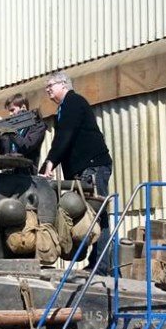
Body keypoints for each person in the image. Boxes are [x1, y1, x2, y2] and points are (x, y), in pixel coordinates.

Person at [41, 71, 114, 274]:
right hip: (84, 169)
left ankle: (102, 265)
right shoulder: (63, 110)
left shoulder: (73, 102)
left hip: (93, 167)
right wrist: (47, 164)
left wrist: (50, 162)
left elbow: (65, 136)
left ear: (64, 85)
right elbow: (60, 141)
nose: (48, 90)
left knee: (96, 215)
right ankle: (103, 263)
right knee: (96, 216)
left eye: (51, 86)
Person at [0, 93, 47, 168]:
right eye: (9, 111)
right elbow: (2, 150)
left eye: (12, 110)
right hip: (8, 172)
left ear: (23, 107)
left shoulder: (37, 126)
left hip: (26, 174)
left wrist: (9, 129)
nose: (10, 114)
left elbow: (26, 146)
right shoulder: (11, 127)